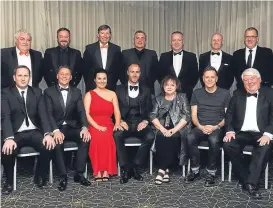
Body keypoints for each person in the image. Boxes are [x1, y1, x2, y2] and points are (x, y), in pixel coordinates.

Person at [1, 65, 55, 195]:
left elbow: (43, 115)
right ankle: (8, 181)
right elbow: (5, 117)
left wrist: (47, 134)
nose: (23, 78)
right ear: (14, 77)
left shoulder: (37, 92)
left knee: (48, 145)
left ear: (29, 77)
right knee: (8, 150)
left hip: (34, 131)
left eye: (26, 75)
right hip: (15, 133)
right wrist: (8, 138)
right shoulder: (5, 93)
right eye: (20, 75)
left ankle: (40, 176)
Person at [223, 68, 273, 199]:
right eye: (246, 80)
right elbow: (229, 115)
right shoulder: (237, 94)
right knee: (228, 145)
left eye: (252, 79)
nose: (249, 82)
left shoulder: (270, 93)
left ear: (259, 79)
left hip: (261, 133)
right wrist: (229, 130)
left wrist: (268, 134)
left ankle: (251, 183)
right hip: (241, 132)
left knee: (264, 147)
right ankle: (247, 178)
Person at [44, 66, 91, 191]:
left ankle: (79, 173)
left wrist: (85, 127)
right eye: (62, 74)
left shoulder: (76, 92)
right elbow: (48, 113)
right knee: (58, 142)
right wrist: (55, 131)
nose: (64, 76)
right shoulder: (48, 92)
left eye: (67, 74)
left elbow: (81, 111)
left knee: (85, 139)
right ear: (57, 76)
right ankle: (63, 176)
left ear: (70, 77)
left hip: (71, 126)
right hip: (57, 127)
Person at [185, 66, 230, 186]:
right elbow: (193, 115)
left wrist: (215, 127)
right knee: (190, 137)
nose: (209, 80)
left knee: (214, 139)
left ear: (216, 79)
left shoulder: (225, 93)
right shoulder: (196, 93)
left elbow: (227, 117)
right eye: (207, 77)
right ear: (203, 79)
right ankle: (195, 170)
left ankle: (211, 172)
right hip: (200, 126)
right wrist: (200, 126)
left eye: (212, 77)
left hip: (217, 127)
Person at [114, 64, 154, 184]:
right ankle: (126, 168)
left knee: (150, 136)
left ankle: (136, 166)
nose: (135, 74)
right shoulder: (118, 89)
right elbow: (114, 108)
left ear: (140, 74)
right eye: (132, 72)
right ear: (127, 72)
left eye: (137, 72)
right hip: (124, 122)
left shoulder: (146, 89)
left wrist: (146, 121)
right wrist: (119, 121)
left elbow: (150, 110)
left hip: (140, 122)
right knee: (117, 135)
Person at [150, 75, 191, 185]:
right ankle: (166, 170)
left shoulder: (182, 97)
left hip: (179, 127)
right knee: (160, 137)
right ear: (163, 86)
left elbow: (187, 116)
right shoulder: (158, 99)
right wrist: (163, 129)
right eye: (166, 85)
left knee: (172, 137)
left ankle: (162, 169)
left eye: (172, 85)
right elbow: (153, 116)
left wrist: (174, 130)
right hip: (162, 126)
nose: (169, 87)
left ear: (176, 86)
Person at [83, 69, 122, 181]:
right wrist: (97, 126)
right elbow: (86, 114)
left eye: (104, 78)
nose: (102, 81)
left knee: (108, 138)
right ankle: (97, 170)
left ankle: (106, 170)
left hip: (108, 123)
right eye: (99, 78)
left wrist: (117, 123)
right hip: (93, 124)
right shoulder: (89, 95)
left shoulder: (112, 94)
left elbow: (117, 111)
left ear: (107, 80)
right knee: (96, 139)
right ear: (95, 80)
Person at [157, 31, 198, 101]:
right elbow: (160, 75)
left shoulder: (191, 57)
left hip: (186, 94)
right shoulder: (164, 57)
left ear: (183, 42)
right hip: (167, 95)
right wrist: (167, 88)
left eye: (179, 40)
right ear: (171, 42)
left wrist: (187, 87)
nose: (176, 42)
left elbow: (195, 76)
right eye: (174, 40)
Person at [83, 24, 122, 92]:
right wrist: (91, 84)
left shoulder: (116, 49)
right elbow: (85, 70)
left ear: (110, 35)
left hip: (110, 87)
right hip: (93, 87)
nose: (105, 36)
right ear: (98, 35)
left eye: (107, 33)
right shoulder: (89, 49)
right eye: (102, 33)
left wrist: (111, 82)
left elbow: (118, 69)